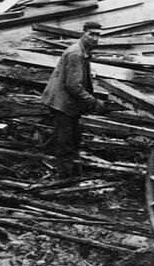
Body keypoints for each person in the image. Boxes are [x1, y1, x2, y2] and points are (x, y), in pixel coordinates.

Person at [40, 22, 108, 178]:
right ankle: (65, 176)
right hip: (62, 102)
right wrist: (93, 102)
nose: (95, 38)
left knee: (72, 137)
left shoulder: (82, 51)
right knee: (67, 141)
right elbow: (73, 85)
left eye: (98, 35)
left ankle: (67, 169)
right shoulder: (75, 53)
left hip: (67, 101)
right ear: (83, 33)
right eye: (91, 34)